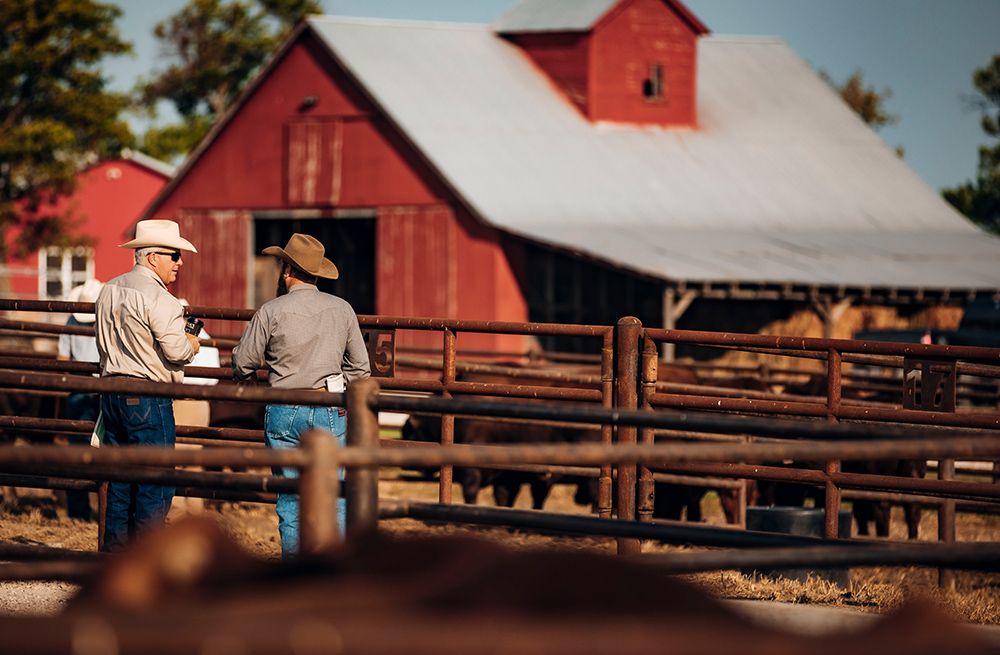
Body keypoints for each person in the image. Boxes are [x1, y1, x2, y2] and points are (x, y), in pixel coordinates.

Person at [231, 233, 370, 560]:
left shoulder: (271, 310)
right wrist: (333, 385)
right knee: (335, 492)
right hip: (328, 408)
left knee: (291, 498)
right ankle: (337, 568)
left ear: (287, 270)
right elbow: (361, 369)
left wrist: (249, 378)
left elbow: (243, 362)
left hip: (283, 406)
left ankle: (296, 574)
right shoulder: (342, 309)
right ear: (317, 273)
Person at [94, 219, 201, 552]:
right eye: (174, 255)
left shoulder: (109, 289)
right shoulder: (162, 299)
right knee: (154, 485)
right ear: (153, 257)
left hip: (111, 391)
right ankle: (148, 561)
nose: (179, 262)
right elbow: (177, 351)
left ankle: (115, 562)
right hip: (147, 397)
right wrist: (192, 344)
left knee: (120, 484)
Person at [57, 278, 104, 520]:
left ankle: (78, 512)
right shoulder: (106, 321)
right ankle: (105, 509)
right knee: (106, 447)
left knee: (76, 450)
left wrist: (76, 372)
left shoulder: (70, 320)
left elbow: (62, 359)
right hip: (101, 389)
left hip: (78, 387)